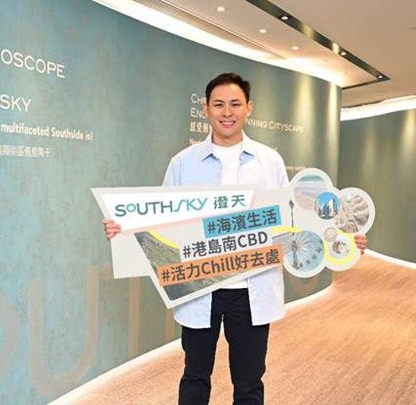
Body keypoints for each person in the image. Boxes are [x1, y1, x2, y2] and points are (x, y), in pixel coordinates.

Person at [103, 72, 367, 404]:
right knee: (195, 375)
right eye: (218, 105)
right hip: (200, 286)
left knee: (249, 381)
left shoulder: (269, 161)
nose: (227, 112)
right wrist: (124, 230)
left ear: (248, 108)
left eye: (235, 104)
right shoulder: (184, 163)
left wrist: (342, 238)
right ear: (206, 108)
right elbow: (162, 220)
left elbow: (293, 218)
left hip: (252, 288)